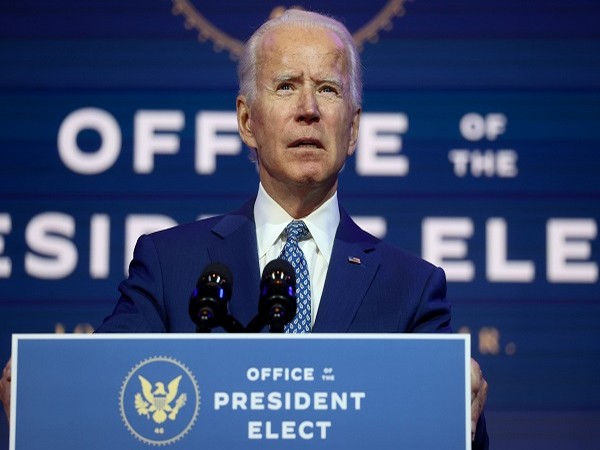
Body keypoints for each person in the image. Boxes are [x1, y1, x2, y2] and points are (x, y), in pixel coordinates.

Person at [1, 9, 488, 447]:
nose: (308, 109)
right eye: (285, 86)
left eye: (327, 88)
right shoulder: (171, 265)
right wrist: (44, 399)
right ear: (246, 121)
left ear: (354, 128)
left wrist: (467, 412)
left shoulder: (411, 287)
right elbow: (105, 393)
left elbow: (447, 427)